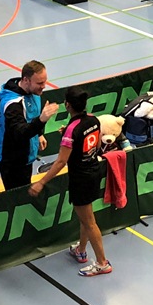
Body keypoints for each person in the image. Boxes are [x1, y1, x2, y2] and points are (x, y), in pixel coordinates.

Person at [29, 86, 111, 278]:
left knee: (89, 222)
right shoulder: (93, 120)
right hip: (94, 171)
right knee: (86, 217)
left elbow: (60, 162)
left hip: (80, 179)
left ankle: (102, 263)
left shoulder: (71, 131)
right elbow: (97, 144)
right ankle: (81, 250)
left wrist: (41, 182)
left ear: (67, 105)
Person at [0, 61, 59, 190]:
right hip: (12, 160)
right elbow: (20, 133)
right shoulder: (12, 105)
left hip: (26, 155)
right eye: (40, 83)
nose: (44, 86)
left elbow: (32, 116)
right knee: (18, 197)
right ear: (26, 80)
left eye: (45, 81)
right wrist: (41, 121)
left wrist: (39, 134)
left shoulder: (33, 92)